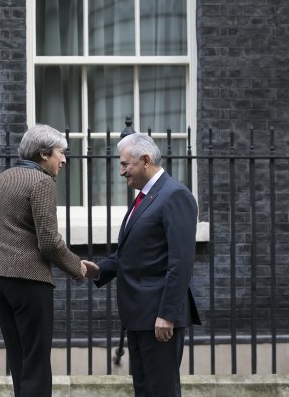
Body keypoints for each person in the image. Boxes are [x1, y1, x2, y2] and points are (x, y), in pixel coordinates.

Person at [0, 124, 95, 397]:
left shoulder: (1, 179)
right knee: (36, 358)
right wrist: (77, 267)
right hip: (28, 278)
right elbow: (49, 242)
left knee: (19, 355)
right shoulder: (41, 182)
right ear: (43, 154)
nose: (63, 160)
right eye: (60, 154)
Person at [83, 132, 201, 397]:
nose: (121, 172)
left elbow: (181, 262)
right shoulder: (145, 198)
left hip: (159, 317)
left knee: (161, 391)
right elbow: (131, 254)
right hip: (139, 316)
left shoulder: (174, 195)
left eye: (125, 164)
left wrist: (167, 314)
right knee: (144, 390)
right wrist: (99, 270)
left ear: (146, 160)